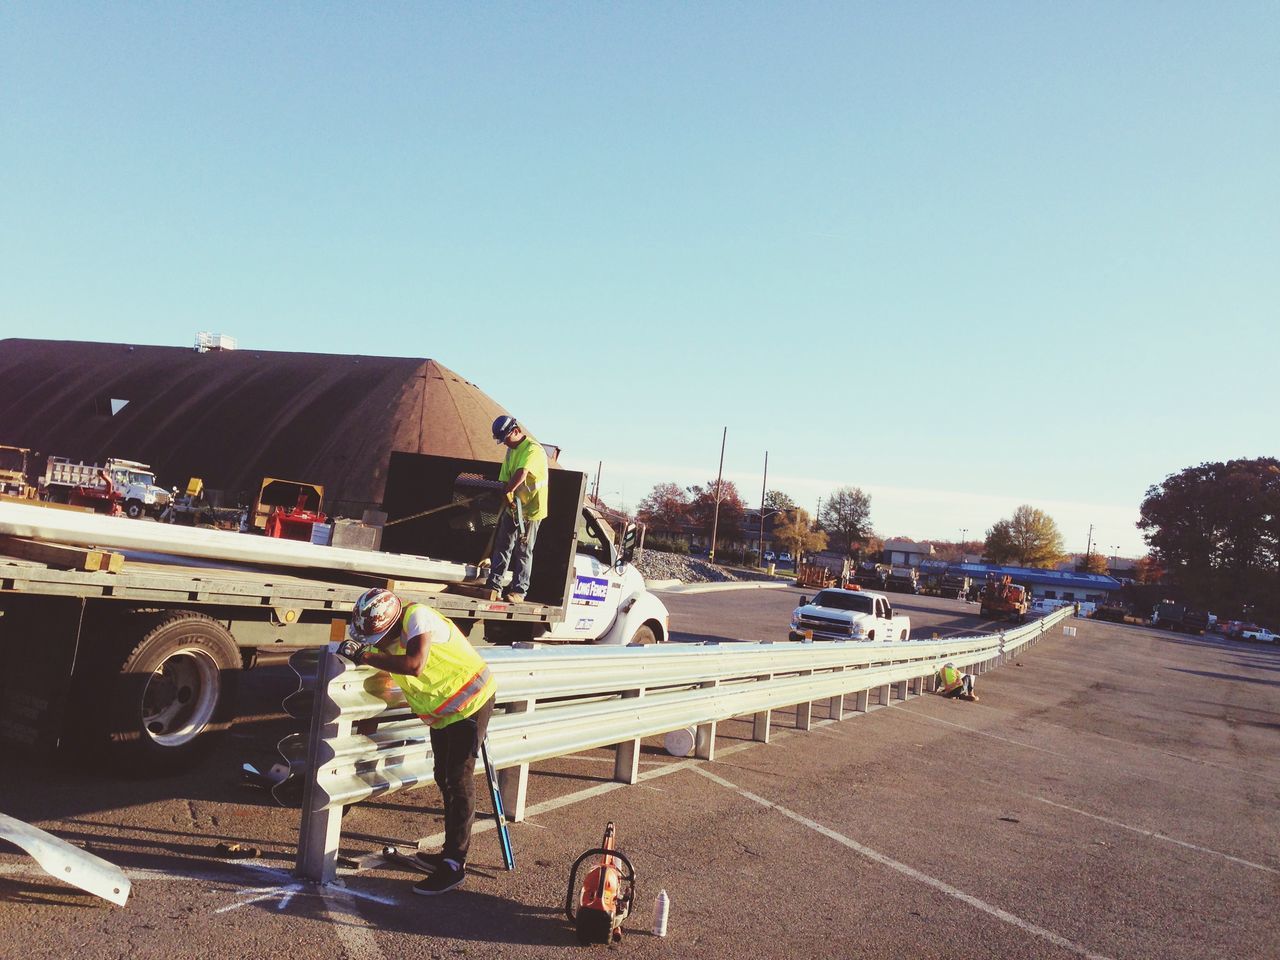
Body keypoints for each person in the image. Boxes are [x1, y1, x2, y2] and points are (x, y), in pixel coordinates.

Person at [337, 588, 497, 895]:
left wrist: (365, 655)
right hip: (446, 712)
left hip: (472, 701)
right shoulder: (395, 633)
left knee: (458, 780)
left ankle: (454, 864)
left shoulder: (418, 617)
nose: (379, 646)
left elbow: (415, 665)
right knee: (445, 779)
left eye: (380, 639)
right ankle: (448, 853)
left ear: (392, 623)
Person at [484, 415, 549, 603]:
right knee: (503, 545)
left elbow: (522, 472)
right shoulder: (511, 451)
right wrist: (504, 493)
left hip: (531, 511)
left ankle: (519, 591)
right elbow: (506, 476)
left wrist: (509, 490)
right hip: (514, 507)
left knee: (523, 550)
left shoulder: (533, 449)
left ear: (515, 431)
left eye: (505, 439)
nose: (505, 444)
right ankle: (494, 585)